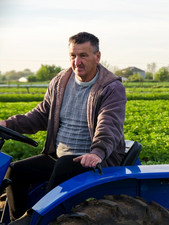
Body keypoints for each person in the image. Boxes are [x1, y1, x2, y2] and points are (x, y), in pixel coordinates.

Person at [0, 32, 127, 224]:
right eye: (73, 56)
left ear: (97, 56)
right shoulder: (61, 81)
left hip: (93, 160)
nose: (77, 62)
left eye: (83, 55)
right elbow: (41, 115)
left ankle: (41, 220)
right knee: (16, 171)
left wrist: (97, 152)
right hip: (58, 155)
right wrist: (7, 124)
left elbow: (109, 123)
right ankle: (18, 220)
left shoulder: (110, 88)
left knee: (64, 167)